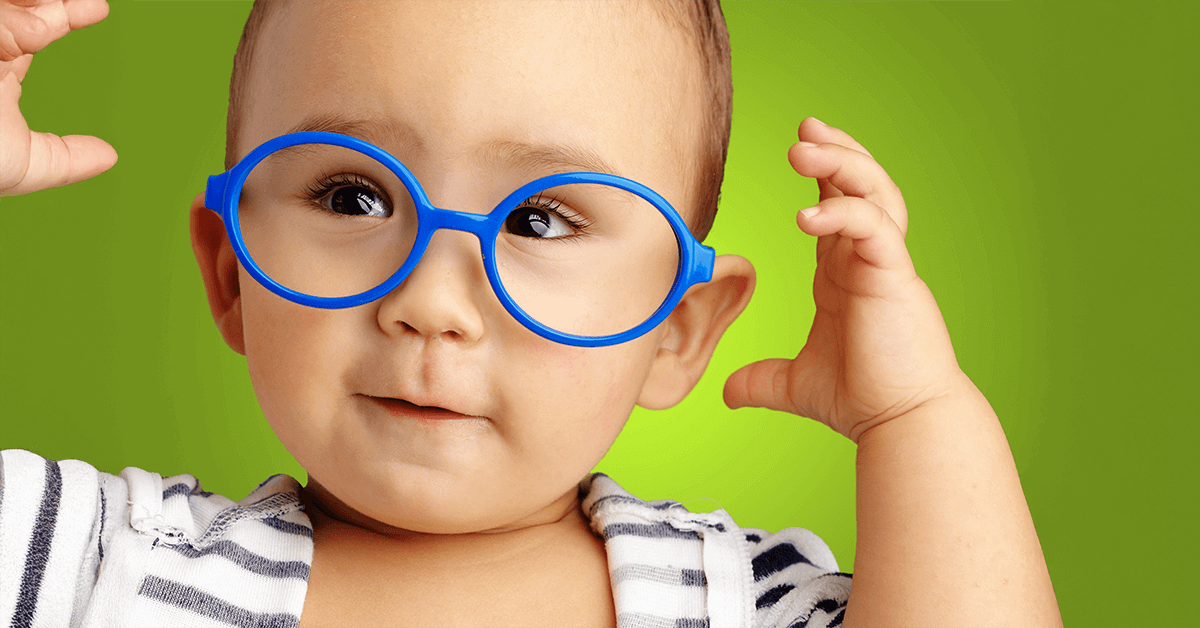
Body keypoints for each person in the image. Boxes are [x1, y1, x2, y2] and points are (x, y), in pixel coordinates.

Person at [0, 1, 1062, 626]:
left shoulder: (744, 600)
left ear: (677, 328)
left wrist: (918, 417)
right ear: (232, 272)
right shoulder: (87, 563)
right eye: (353, 197)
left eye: (540, 220)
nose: (429, 303)